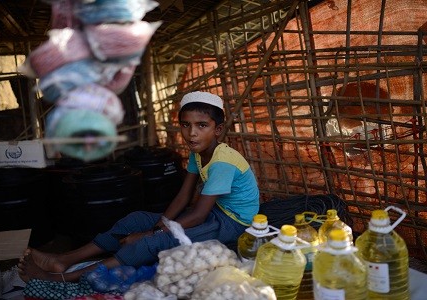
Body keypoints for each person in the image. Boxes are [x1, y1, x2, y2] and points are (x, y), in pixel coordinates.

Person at [18, 91, 260, 282]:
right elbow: (184, 196)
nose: (192, 134)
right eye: (186, 125)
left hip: (232, 222)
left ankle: (63, 277)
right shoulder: (199, 153)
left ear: (217, 129)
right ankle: (64, 259)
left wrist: (151, 234)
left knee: (151, 243)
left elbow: (197, 215)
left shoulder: (222, 161)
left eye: (201, 126)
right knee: (135, 220)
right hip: (215, 212)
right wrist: (155, 225)